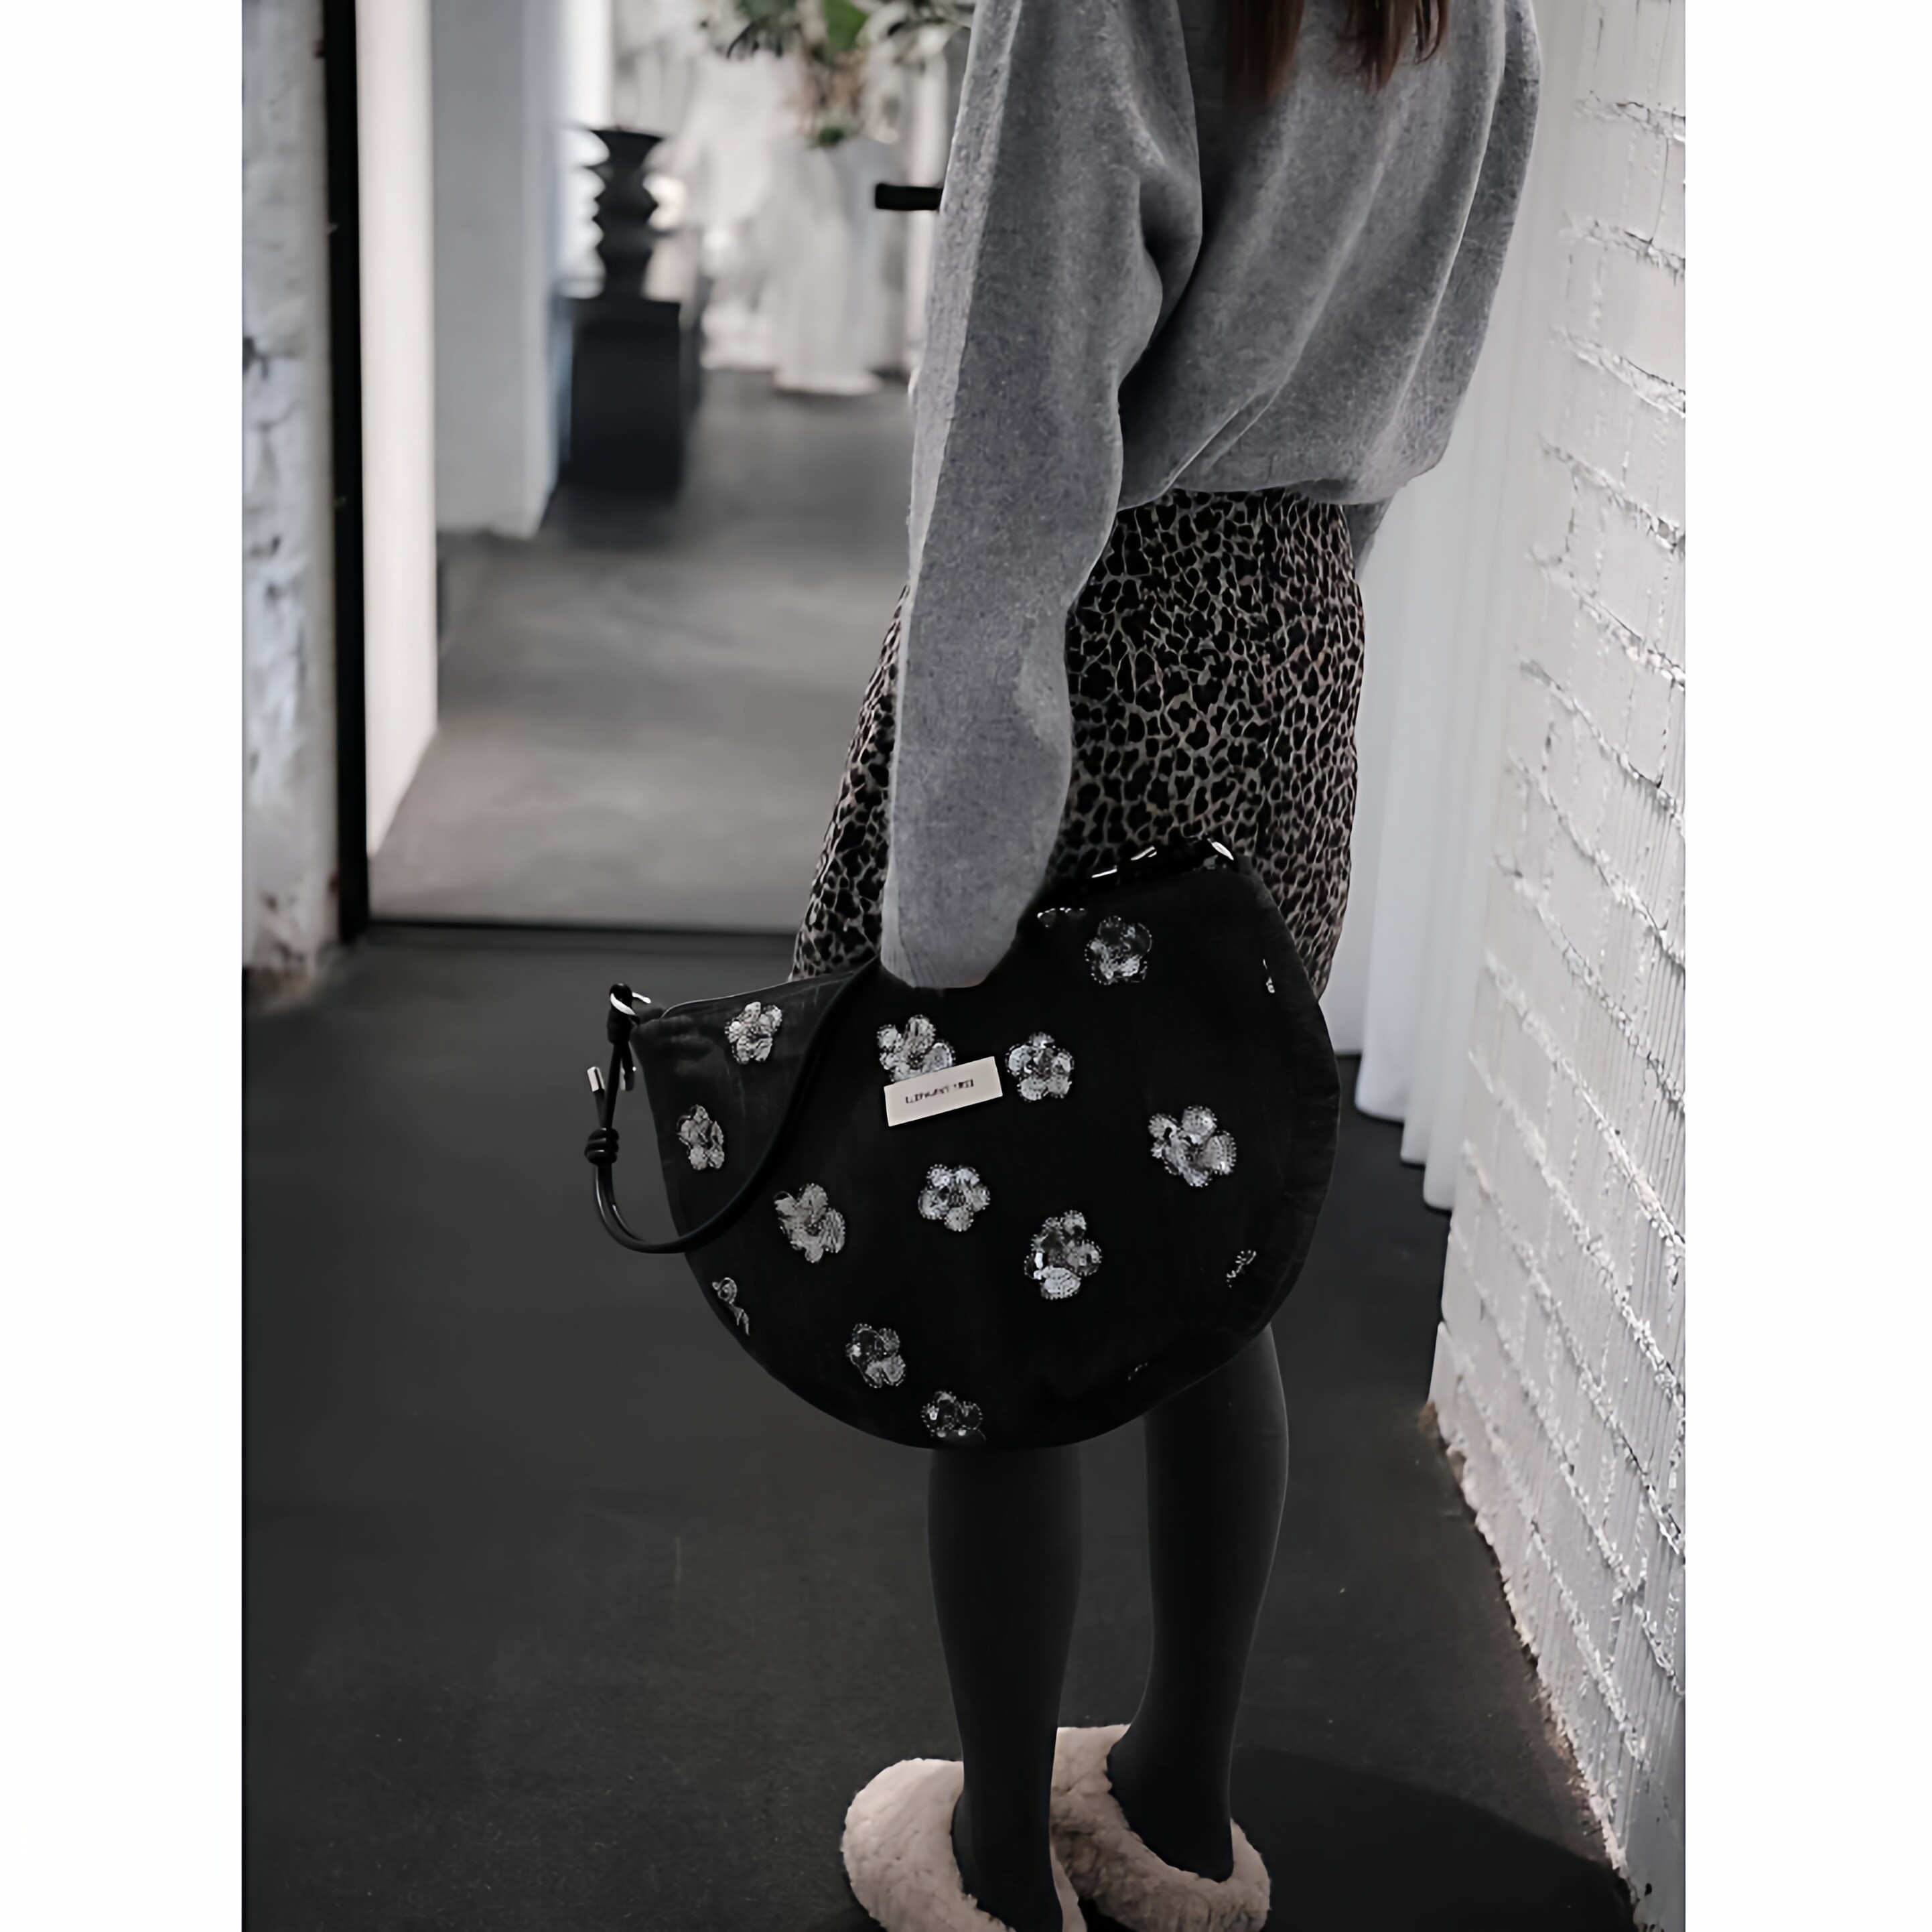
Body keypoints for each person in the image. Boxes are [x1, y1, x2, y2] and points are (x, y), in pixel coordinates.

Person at [793, 3, 1539, 1927]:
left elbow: (1014, 433)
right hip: (1291, 654)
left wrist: (939, 915)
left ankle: (994, 1868)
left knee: (999, 1274)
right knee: (1214, 1246)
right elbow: (1422, 366)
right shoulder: (1476, 19)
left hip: (1089, 650)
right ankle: (1178, 1817)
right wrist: (1288, 606)